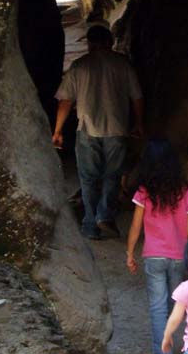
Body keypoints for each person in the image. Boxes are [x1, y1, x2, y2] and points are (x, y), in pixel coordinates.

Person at [53, 24, 145, 240]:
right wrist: (139, 123)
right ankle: (104, 215)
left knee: (88, 178)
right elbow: (137, 97)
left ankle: (89, 225)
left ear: (89, 44)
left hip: (87, 129)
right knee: (112, 175)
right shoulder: (123, 65)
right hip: (117, 128)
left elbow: (65, 101)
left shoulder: (79, 66)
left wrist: (57, 130)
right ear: (110, 42)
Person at [126, 138, 188, 354]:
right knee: (172, 304)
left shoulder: (144, 192)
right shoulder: (185, 192)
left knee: (158, 308)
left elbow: (136, 225)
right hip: (178, 257)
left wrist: (130, 252)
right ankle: (170, 344)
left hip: (153, 257)